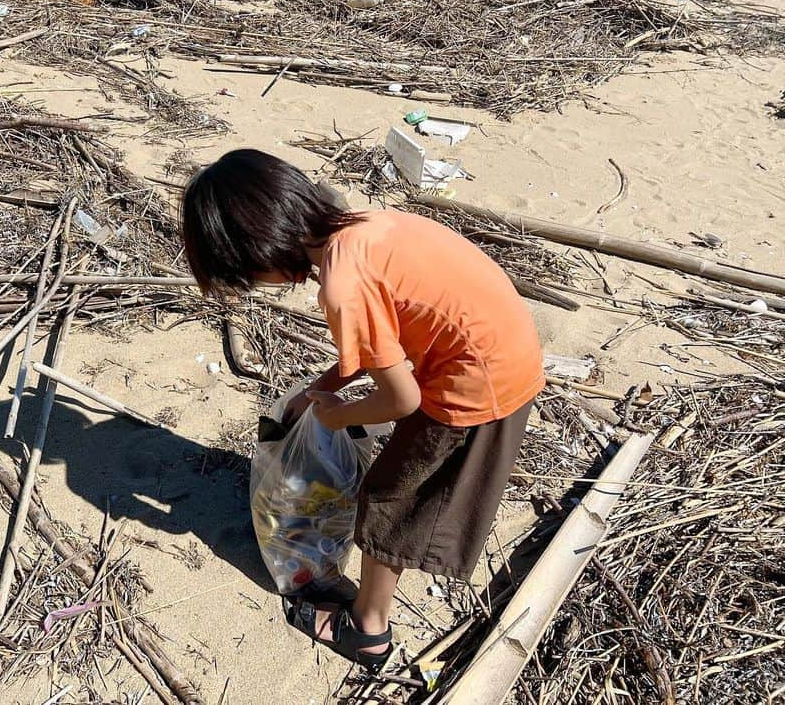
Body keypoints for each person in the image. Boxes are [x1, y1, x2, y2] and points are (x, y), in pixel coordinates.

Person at [180, 149, 544, 667]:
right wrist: (319, 391)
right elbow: (380, 343)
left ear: (260, 248)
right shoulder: (366, 228)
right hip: (504, 355)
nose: (258, 284)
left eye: (247, 274)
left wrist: (335, 416)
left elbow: (402, 398)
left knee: (386, 498)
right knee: (396, 484)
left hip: (474, 385)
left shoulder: (341, 287)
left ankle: (369, 630)